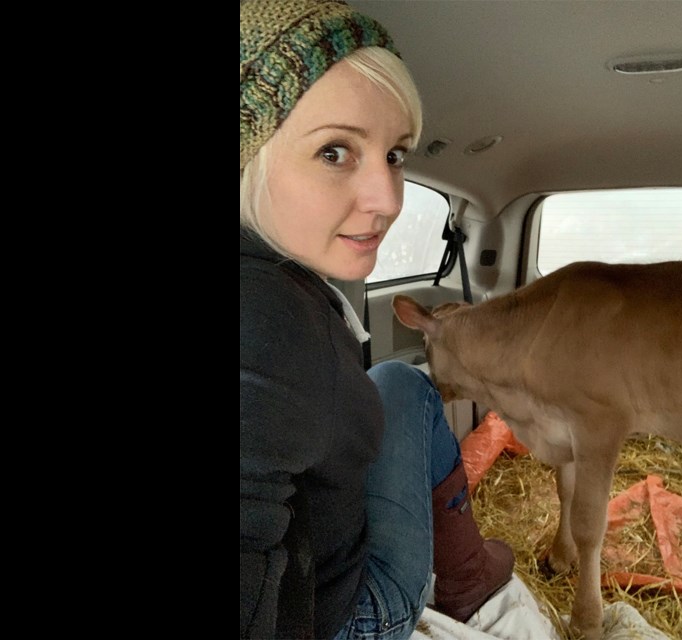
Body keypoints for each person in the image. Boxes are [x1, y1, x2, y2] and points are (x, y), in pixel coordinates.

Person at [239, 1, 515, 638]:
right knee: (412, 387)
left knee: (397, 380)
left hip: (318, 544)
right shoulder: (265, 316)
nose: (389, 200)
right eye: (334, 152)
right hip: (351, 612)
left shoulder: (286, 283)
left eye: (394, 155)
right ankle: (466, 573)